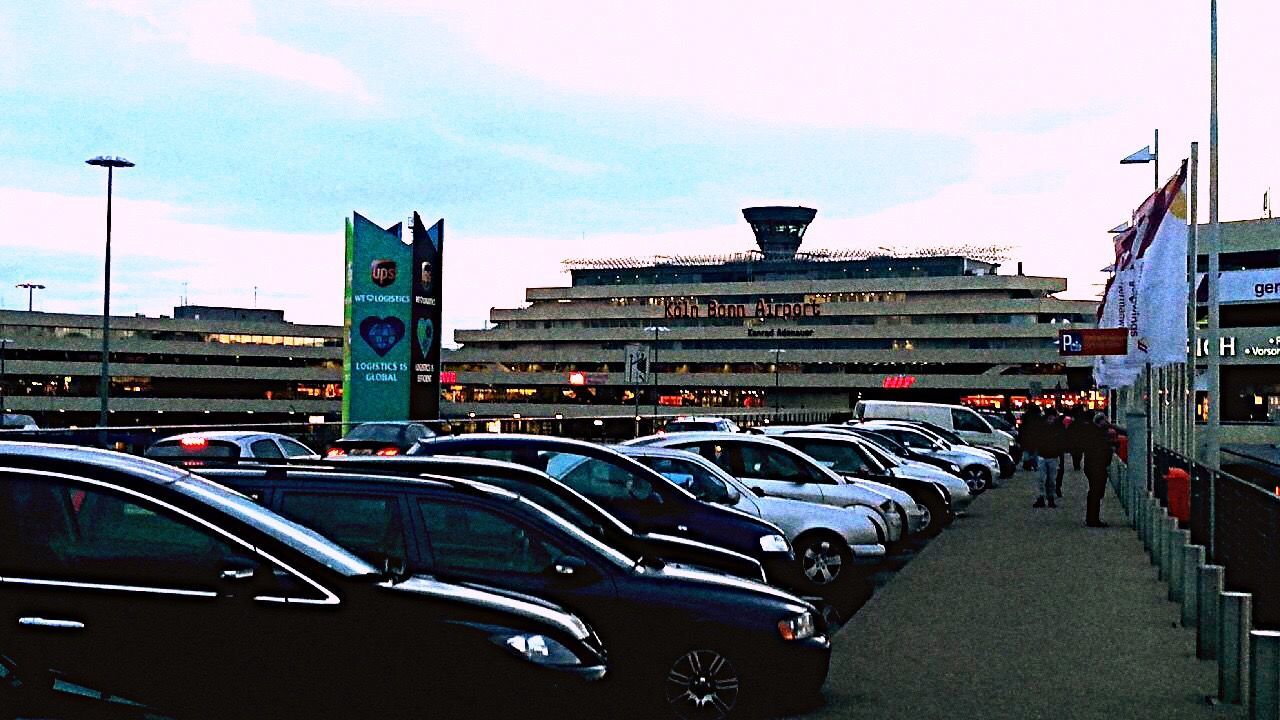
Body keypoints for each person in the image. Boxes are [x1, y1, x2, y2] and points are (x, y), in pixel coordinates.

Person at [1082, 411, 1117, 527]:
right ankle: (1093, 519)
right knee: (1096, 492)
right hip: (1096, 466)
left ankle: (1092, 517)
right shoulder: (1097, 433)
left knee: (1095, 492)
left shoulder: (1093, 432)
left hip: (1095, 465)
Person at [1032, 406, 1067, 509]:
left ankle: (1047, 497)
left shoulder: (1055, 428)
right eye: (1050, 418)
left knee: (1050, 479)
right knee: (1043, 479)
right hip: (1046, 455)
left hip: (1050, 456)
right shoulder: (1049, 428)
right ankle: (1044, 497)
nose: (1051, 420)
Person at [1018, 404, 1042, 471]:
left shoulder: (1025, 416)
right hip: (1035, 437)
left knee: (1026, 451)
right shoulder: (1038, 417)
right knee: (1035, 452)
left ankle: (1026, 464)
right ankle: (1034, 465)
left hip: (1026, 437)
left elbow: (1022, 427)